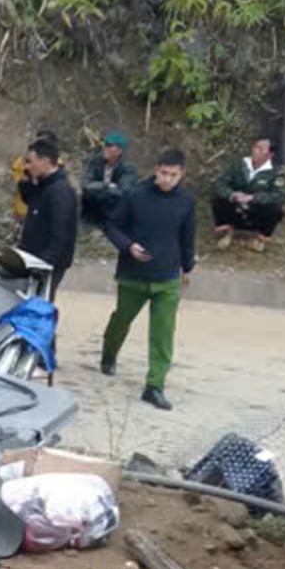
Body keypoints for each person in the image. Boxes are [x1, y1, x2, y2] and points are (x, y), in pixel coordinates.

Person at [99, 148, 195, 410]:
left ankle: (155, 385)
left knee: (163, 333)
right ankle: (109, 354)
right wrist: (128, 246)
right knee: (121, 320)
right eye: (163, 173)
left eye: (173, 175)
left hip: (168, 277)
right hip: (133, 275)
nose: (167, 179)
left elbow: (187, 237)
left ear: (182, 174)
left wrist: (187, 268)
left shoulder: (186, 201)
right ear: (156, 170)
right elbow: (111, 226)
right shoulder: (135, 195)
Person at [17, 135, 78, 298]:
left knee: (40, 304)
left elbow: (62, 234)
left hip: (46, 263)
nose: (27, 166)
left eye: (30, 162)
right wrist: (26, 182)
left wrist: (44, 263)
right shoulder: (42, 184)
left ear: (45, 161)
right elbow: (30, 201)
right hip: (32, 257)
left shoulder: (60, 192)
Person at [212, 135, 285, 252]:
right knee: (219, 198)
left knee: (276, 209)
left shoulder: (276, 173)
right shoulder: (238, 164)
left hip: (256, 210)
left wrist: (253, 198)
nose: (255, 151)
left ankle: (260, 237)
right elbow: (220, 184)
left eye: (261, 149)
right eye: (255, 147)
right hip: (236, 205)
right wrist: (233, 195)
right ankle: (226, 232)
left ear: (270, 154)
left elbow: (279, 196)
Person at [81, 132, 137, 227]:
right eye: (105, 144)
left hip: (115, 212)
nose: (105, 148)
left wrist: (97, 188)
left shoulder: (128, 169)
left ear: (119, 151)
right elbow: (85, 184)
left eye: (109, 145)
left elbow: (123, 193)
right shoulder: (95, 161)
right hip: (93, 208)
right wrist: (107, 185)